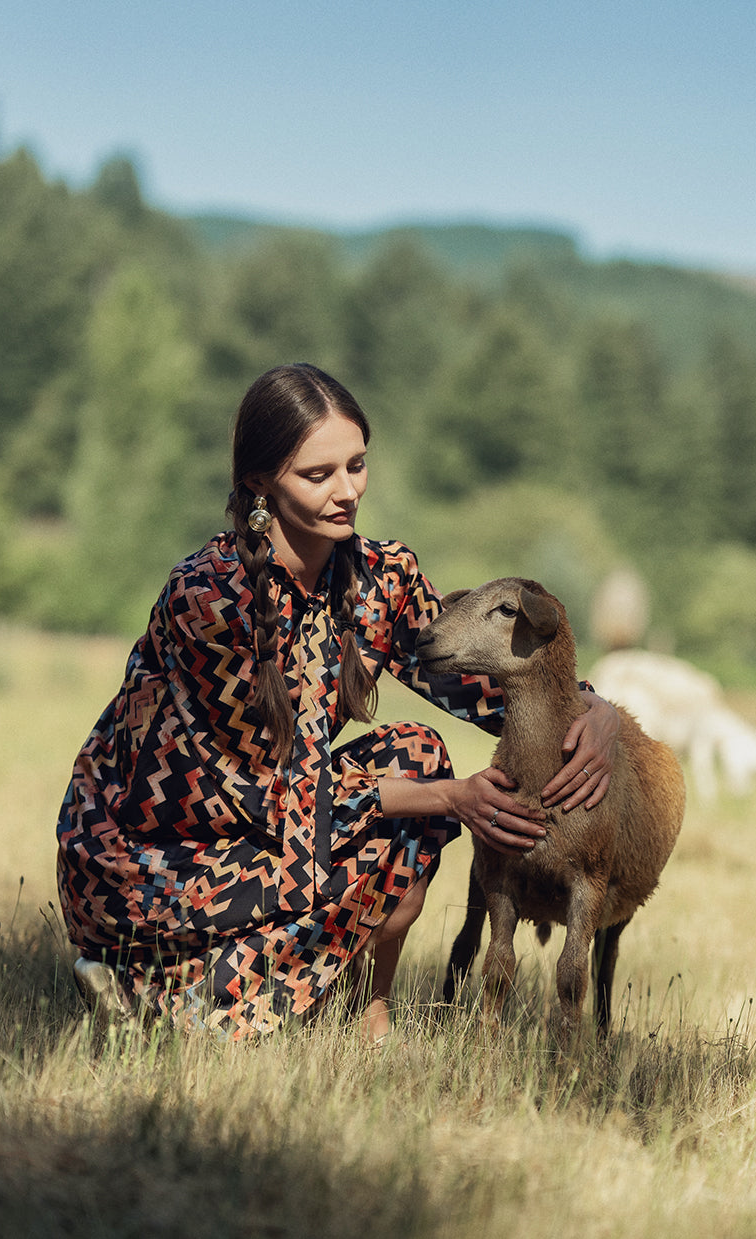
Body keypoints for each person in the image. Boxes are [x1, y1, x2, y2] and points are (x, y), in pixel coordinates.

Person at [57, 364, 619, 1042]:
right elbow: (268, 796)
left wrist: (596, 710)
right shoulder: (210, 601)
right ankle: (151, 980)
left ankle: (366, 1007)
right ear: (261, 484)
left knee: (419, 753)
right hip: (158, 854)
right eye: (318, 475)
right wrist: (451, 798)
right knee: (424, 789)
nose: (348, 491)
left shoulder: (386, 577)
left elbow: (480, 685)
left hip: (286, 827)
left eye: (357, 465)